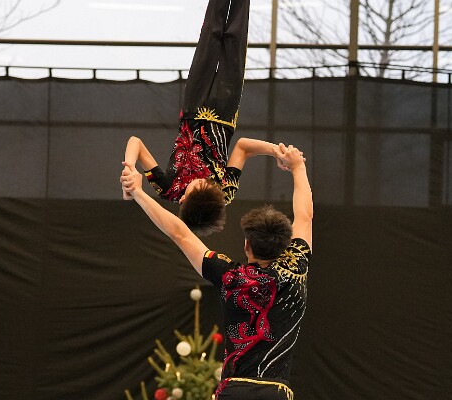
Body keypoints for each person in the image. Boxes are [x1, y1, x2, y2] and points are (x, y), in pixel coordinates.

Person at [120, 143, 313, 400]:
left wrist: (138, 192)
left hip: (234, 390)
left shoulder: (231, 276)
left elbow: (179, 233)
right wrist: (298, 167)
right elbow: (305, 216)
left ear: (246, 245)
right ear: (285, 242)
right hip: (275, 392)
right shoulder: (297, 266)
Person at [123, 0, 284, 237]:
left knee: (211, 35)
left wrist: (129, 168)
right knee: (235, 39)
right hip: (224, 111)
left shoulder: (168, 189)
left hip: (193, 106)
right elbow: (242, 148)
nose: (202, 181)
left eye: (194, 188)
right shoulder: (224, 193)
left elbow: (135, 142)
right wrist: (275, 151)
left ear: (183, 199)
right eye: (207, 186)